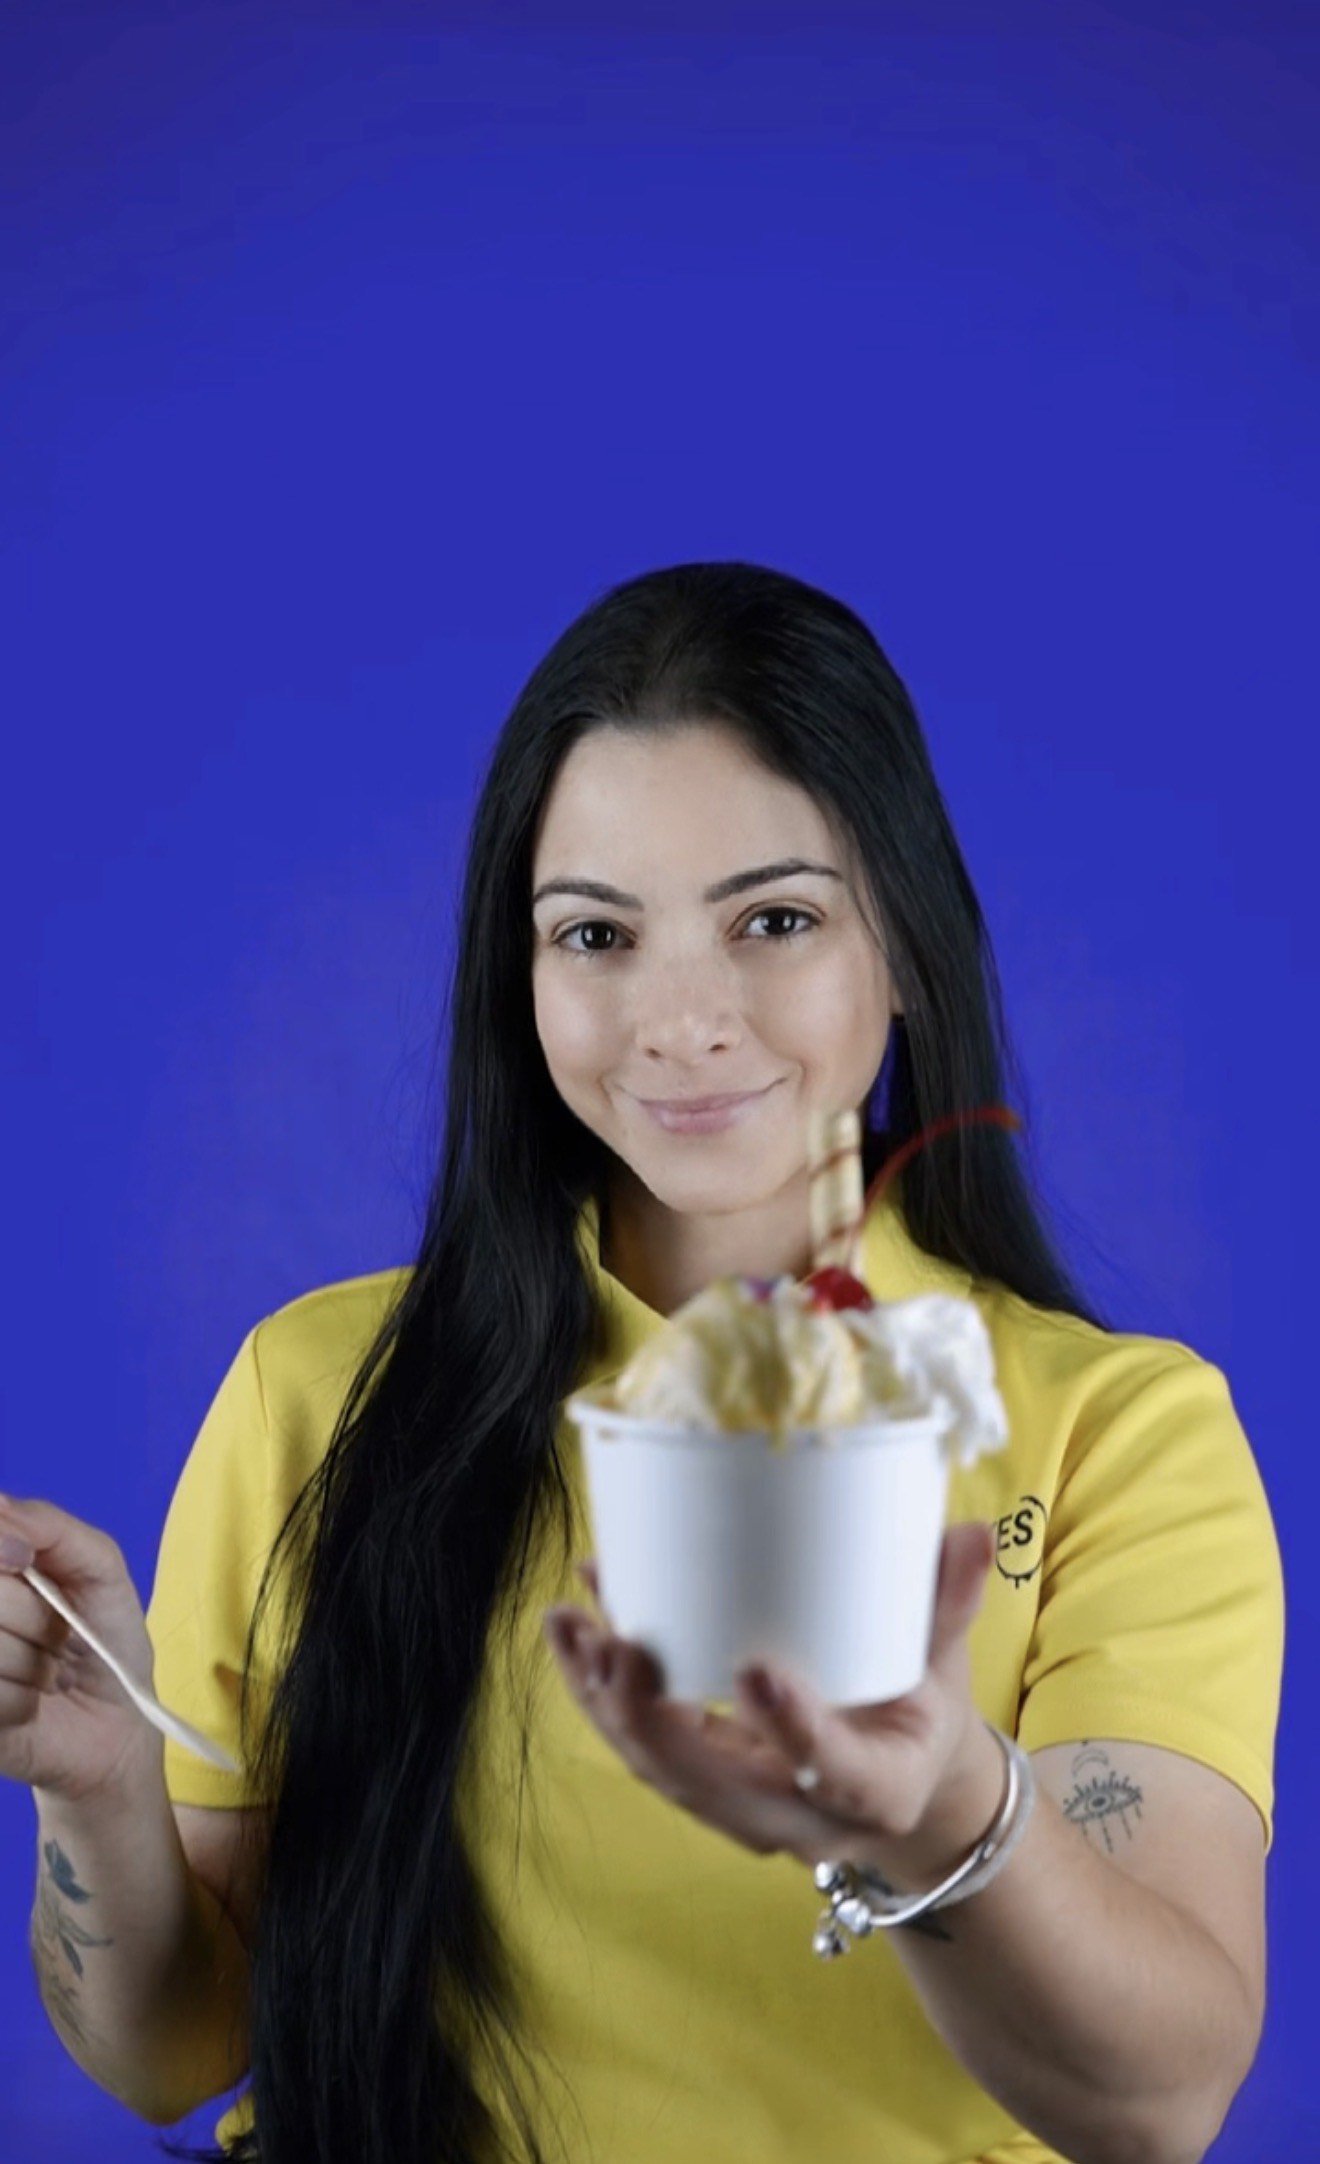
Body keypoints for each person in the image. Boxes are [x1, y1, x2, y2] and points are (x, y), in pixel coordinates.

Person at [2, 560, 1283, 2164]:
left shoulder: (1120, 1437)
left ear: (906, 941)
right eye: (597, 934)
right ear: (520, 974)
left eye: (775, 920)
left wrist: (943, 1801)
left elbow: (1158, 2103)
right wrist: (97, 1788)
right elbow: (168, 2056)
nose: (680, 1020)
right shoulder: (318, 1393)